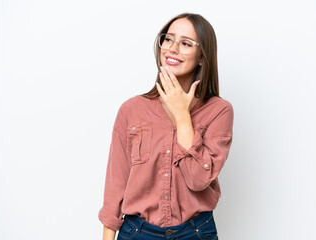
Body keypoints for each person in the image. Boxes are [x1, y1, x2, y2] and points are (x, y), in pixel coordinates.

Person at [99, 13, 234, 240]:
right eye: (168, 39)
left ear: (202, 57)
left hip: (195, 232)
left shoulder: (219, 111)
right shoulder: (131, 109)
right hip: (137, 233)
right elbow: (116, 182)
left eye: (185, 43)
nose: (172, 48)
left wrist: (182, 116)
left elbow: (198, 179)